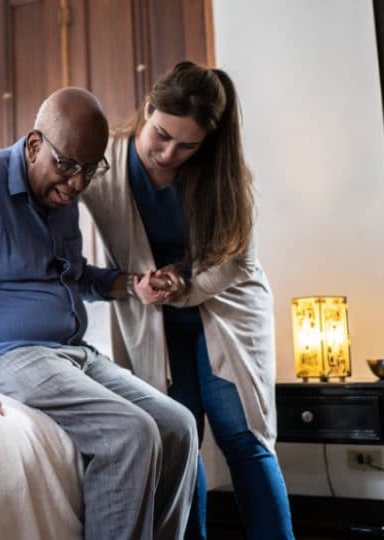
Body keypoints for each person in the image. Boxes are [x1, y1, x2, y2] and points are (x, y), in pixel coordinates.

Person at [0, 86, 199, 540]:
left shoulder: (60, 199)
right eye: (67, 166)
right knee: (130, 435)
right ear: (35, 145)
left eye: (89, 170)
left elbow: (72, 276)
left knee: (178, 426)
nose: (76, 184)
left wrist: (130, 284)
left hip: (68, 350)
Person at [81, 62, 295, 540]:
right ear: (147, 109)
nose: (169, 153)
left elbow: (235, 260)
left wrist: (184, 282)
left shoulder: (223, 174)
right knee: (178, 437)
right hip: (153, 312)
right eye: (161, 136)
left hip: (225, 306)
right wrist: (131, 283)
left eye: (187, 146)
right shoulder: (105, 163)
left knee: (242, 434)